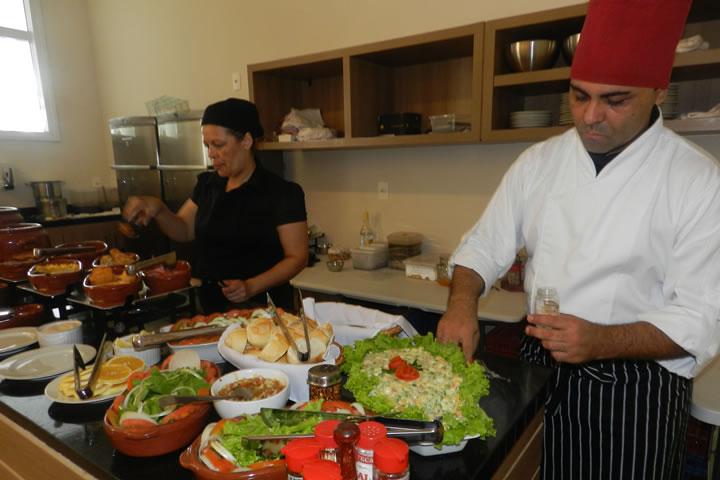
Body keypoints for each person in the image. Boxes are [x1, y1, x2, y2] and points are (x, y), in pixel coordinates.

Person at [437, 0, 720, 478]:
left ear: (658, 92)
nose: (590, 116)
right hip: (540, 369)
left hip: (637, 390)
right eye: (579, 95)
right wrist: (461, 304)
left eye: (615, 100)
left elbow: (699, 316)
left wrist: (602, 340)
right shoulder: (539, 162)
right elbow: (484, 245)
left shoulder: (697, 179)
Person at [123, 98, 308, 312]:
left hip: (264, 310)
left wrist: (251, 286)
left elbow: (297, 258)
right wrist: (159, 209)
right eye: (207, 145)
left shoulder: (282, 193)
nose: (211, 153)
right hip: (210, 307)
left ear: (246, 141)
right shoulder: (208, 185)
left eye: (218, 145)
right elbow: (183, 229)